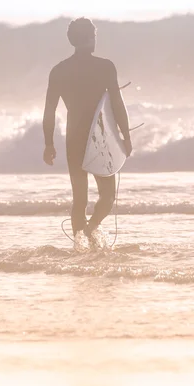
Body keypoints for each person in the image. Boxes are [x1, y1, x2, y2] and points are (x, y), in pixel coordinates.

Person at [42, 17, 132, 250]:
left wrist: (49, 144)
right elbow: (117, 104)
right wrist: (125, 136)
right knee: (108, 196)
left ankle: (80, 248)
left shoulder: (59, 71)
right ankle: (91, 230)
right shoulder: (104, 67)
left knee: (79, 199)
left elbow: (49, 111)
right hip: (99, 137)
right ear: (91, 38)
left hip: (74, 138)